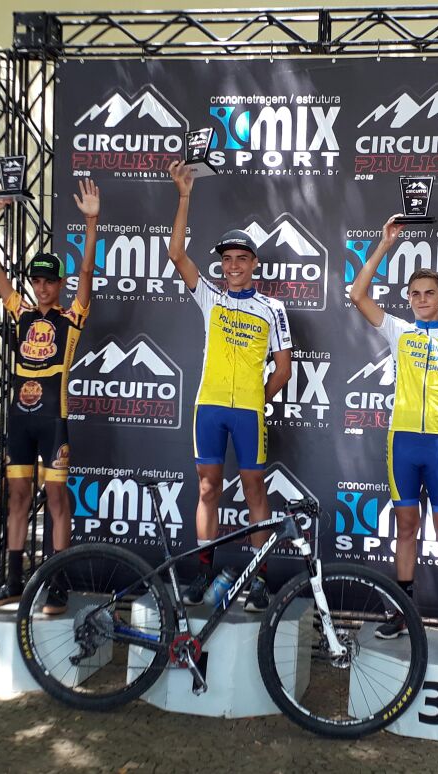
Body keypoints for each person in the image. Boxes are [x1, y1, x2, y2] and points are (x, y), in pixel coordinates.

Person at [167, 159, 293, 612]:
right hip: (210, 406)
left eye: (242, 258)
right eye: (227, 259)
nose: (234, 265)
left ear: (254, 263)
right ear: (221, 265)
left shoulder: (272, 309)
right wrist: (185, 195)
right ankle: (203, 571)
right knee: (207, 489)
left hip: (248, 413)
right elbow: (177, 255)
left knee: (256, 491)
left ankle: (258, 578)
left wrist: (259, 400)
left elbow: (283, 369)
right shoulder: (211, 297)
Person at [349, 214, 438, 651]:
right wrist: (384, 245)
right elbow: (357, 294)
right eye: (416, 293)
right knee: (406, 528)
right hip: (402, 441)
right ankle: (402, 612)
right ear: (408, 298)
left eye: (430, 293)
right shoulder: (399, 330)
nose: (423, 299)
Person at [0, 179, 100, 614]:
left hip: (53, 420)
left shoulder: (72, 317)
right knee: (17, 497)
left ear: (60, 283)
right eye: (37, 280)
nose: (42, 287)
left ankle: (58, 585)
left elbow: (88, 274)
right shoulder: (20, 312)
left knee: (57, 499)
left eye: (50, 281)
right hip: (20, 420)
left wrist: (91, 223)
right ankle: (13, 582)